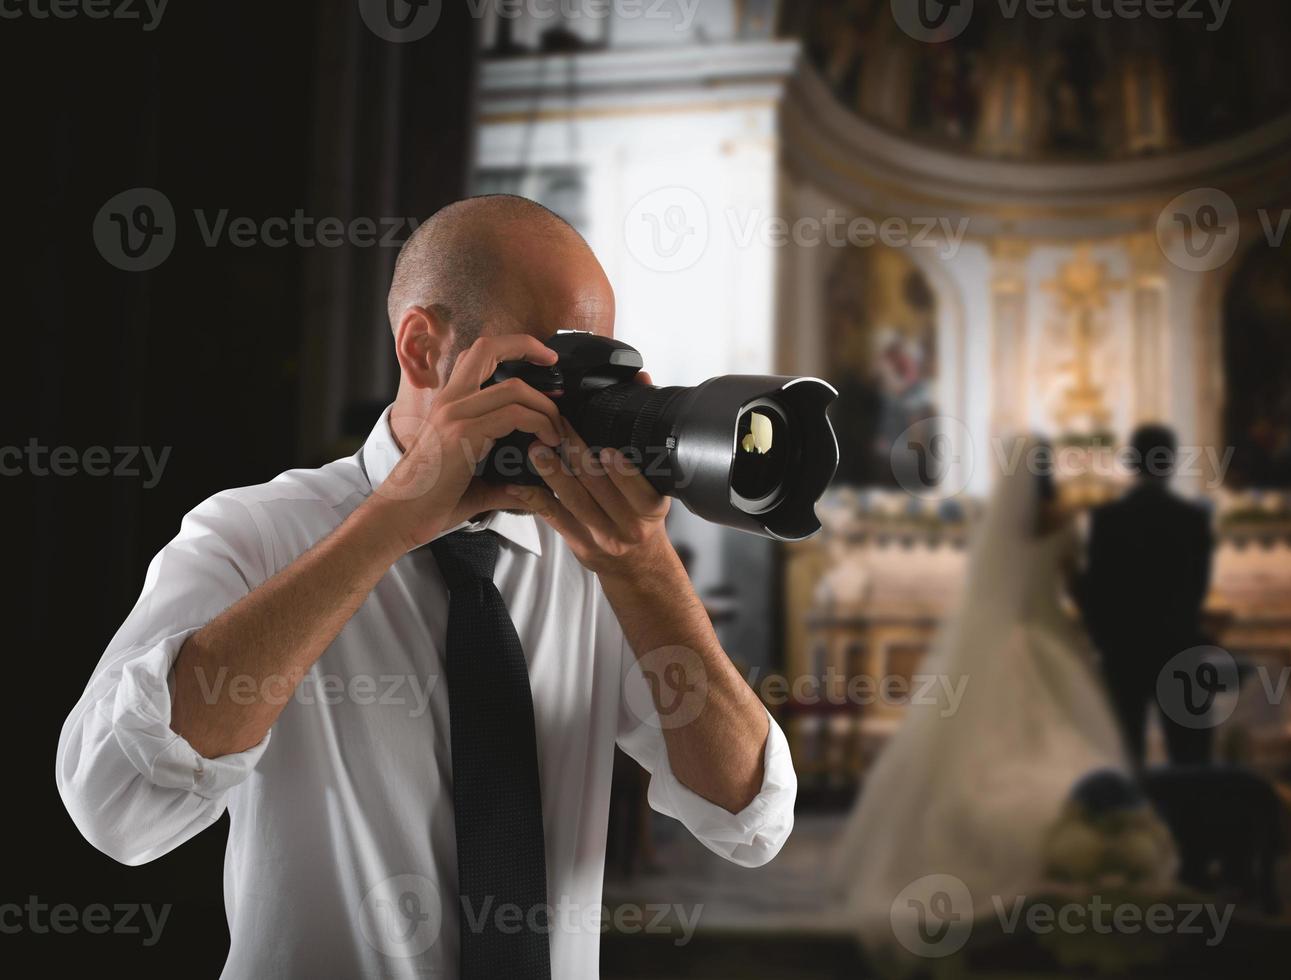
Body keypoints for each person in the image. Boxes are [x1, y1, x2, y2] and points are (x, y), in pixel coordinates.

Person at [55, 195, 796, 978]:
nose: (576, 412)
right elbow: (116, 806)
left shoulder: (597, 558)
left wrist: (644, 567)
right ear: (421, 349)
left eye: (598, 375)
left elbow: (747, 819)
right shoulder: (250, 534)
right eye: (552, 370)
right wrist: (391, 522)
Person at [836, 438, 1131, 947]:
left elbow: (985, 590)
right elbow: (1075, 585)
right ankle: (1072, 836)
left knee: (967, 745)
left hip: (994, 642)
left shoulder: (995, 526)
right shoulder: (1062, 520)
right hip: (1048, 637)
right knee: (1059, 735)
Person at [1078, 424, 1215, 767]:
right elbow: (1196, 590)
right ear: (1170, 462)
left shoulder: (1106, 519)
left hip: (1123, 653)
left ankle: (1133, 821)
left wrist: (1104, 641)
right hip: (1180, 648)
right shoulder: (1193, 519)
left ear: (1131, 463)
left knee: (1126, 758)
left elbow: (1097, 592)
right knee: (1189, 759)